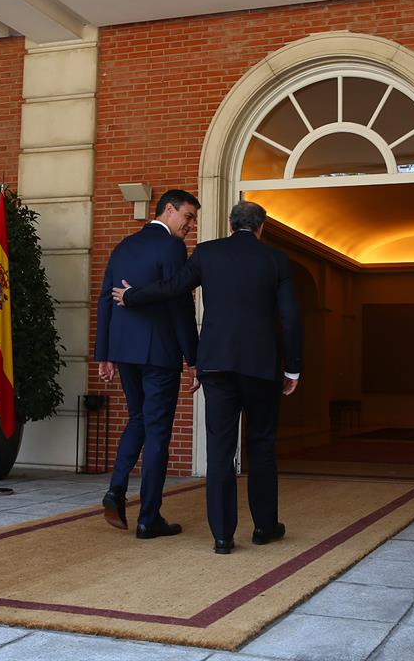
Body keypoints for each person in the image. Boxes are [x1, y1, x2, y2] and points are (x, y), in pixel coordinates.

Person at [113, 200, 302, 555]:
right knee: (261, 445)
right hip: (261, 366)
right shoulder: (275, 259)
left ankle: (222, 535)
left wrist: (133, 296)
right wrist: (292, 367)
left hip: (215, 364)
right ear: (261, 228)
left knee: (219, 449)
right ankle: (263, 527)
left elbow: (172, 288)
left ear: (231, 224)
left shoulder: (207, 253)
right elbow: (290, 318)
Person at [94, 189, 200, 539]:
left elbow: (106, 300)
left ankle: (116, 489)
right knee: (157, 433)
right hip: (159, 354)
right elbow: (179, 304)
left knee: (137, 419)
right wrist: (193, 357)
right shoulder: (171, 247)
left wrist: (105, 354)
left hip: (125, 352)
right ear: (169, 210)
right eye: (188, 216)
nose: (191, 225)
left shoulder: (124, 245)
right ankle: (148, 518)